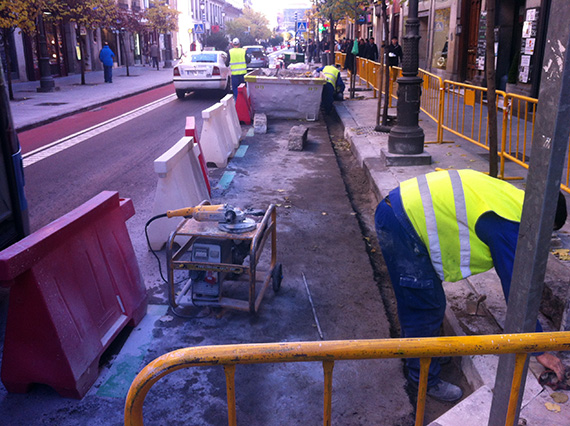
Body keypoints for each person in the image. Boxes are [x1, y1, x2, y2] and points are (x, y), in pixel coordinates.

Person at [374, 169, 567, 402]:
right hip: (402, 223)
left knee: (425, 299)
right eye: (549, 233)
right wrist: (539, 348)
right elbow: (518, 290)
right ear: (544, 222)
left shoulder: (513, 199)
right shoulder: (512, 226)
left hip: (399, 209)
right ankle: (424, 379)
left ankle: (425, 352)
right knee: (424, 306)